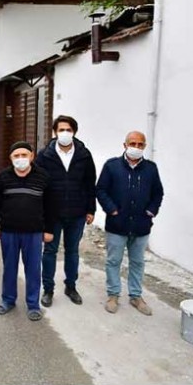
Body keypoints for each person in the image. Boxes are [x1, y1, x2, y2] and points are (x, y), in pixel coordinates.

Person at [96, 131, 164, 315]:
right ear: (124, 145)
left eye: (140, 144)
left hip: (141, 225)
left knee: (137, 262)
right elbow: (101, 190)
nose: (136, 147)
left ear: (144, 147)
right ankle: (113, 294)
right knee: (113, 260)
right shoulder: (112, 166)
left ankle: (135, 295)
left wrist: (151, 211)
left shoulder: (150, 168)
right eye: (132, 143)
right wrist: (112, 210)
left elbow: (158, 193)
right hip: (117, 224)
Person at [35, 115, 96, 307]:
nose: (65, 133)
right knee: (50, 251)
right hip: (52, 214)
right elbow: (38, 184)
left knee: (72, 251)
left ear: (74, 132)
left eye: (68, 130)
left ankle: (71, 286)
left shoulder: (84, 155)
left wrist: (90, 209)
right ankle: (48, 289)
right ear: (55, 132)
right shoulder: (45, 155)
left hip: (77, 212)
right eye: (61, 130)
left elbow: (90, 183)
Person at [0, 142, 54, 321]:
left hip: (34, 233)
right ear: (10, 158)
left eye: (24, 155)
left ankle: (33, 304)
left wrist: (48, 230)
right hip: (9, 232)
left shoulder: (43, 177)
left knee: (33, 269)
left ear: (32, 156)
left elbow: (50, 206)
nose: (20, 159)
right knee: (9, 268)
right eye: (16, 156)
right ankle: (8, 300)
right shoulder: (3, 177)